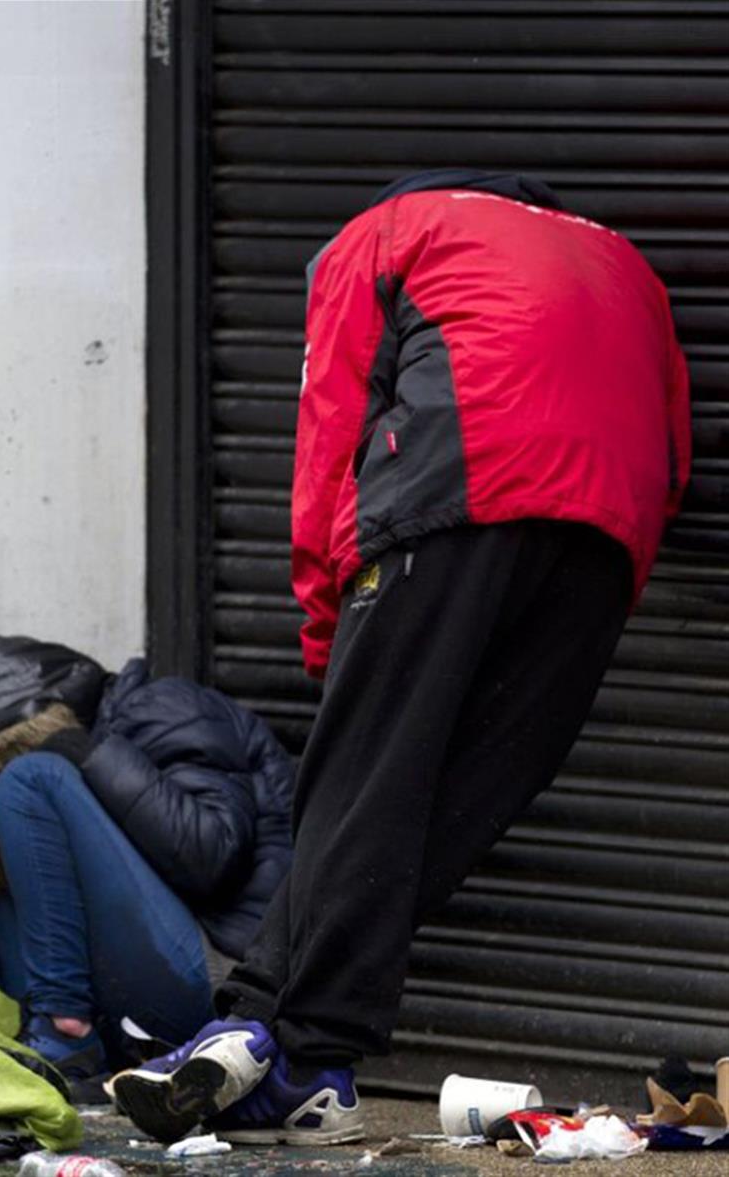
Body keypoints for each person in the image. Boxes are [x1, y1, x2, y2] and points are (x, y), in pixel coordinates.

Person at [113, 169, 691, 1144]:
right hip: (604, 536)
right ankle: (294, 1053)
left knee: (362, 785)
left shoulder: (384, 231)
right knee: (440, 804)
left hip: (448, 496)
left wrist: (322, 618)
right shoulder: (623, 260)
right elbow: (674, 447)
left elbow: (329, 426)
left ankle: (265, 1030)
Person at [0, 639, 295, 1089]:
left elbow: (212, 855)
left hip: (220, 982)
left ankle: (65, 1029)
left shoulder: (165, 706)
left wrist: (86, 754)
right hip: (125, 993)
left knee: (31, 781)